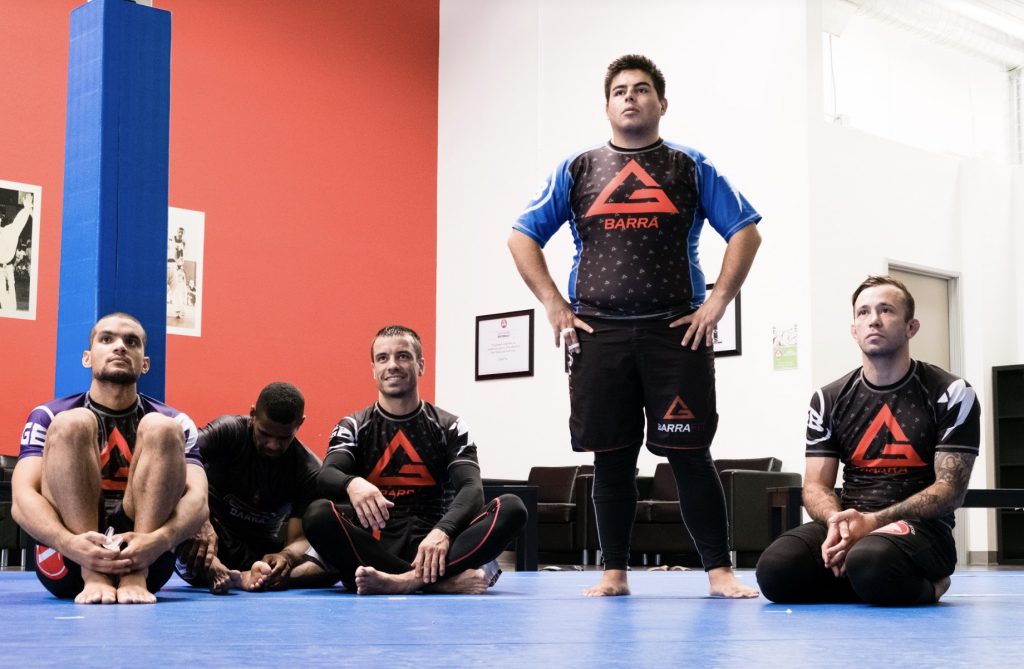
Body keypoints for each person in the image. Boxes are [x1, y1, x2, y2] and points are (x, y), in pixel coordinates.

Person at [508, 54, 761, 598]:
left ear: (661, 103)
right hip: (598, 334)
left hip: (676, 331)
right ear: (606, 106)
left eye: (642, 89)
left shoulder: (691, 165)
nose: (630, 97)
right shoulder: (577, 169)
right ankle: (614, 573)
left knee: (690, 454)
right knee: (612, 457)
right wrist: (555, 304)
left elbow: (745, 231)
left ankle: (719, 572)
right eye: (620, 90)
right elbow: (522, 236)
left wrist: (716, 302)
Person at [755, 276, 980, 605]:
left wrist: (872, 523)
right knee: (775, 570)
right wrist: (837, 523)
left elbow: (950, 491)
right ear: (854, 329)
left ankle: (933, 585)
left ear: (911, 327)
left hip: (922, 530)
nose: (873, 319)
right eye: (863, 313)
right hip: (852, 521)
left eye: (886, 310)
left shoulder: (951, 393)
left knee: (869, 560)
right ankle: (866, 581)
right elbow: (816, 486)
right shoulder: (828, 398)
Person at [303, 325, 528, 595]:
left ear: (421, 365)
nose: (393, 365)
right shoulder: (353, 425)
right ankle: (439, 584)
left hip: (436, 547)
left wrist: (443, 531)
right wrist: (353, 484)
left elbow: (471, 488)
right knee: (317, 515)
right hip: (374, 548)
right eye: (383, 358)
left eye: (403, 356)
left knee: (513, 507)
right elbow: (328, 476)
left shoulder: (450, 426)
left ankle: (404, 582)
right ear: (373, 369)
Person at [11, 312, 207, 604]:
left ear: (145, 363)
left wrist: (160, 541)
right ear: (87, 358)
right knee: (72, 423)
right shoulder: (48, 416)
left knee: (162, 428)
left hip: (147, 557)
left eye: (131, 342)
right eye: (107, 339)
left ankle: (133, 575)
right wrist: (71, 545)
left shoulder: (177, 420)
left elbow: (199, 501)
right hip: (69, 560)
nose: (120, 347)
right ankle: (95, 574)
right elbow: (22, 499)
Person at [175, 382, 337, 593]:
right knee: (176, 515)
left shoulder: (308, 469)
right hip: (208, 538)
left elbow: (298, 538)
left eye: (284, 437)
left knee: (334, 565)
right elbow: (176, 462)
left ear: (300, 424)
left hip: (258, 552)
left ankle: (257, 577)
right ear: (252, 414)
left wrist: (285, 557)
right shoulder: (228, 431)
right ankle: (220, 570)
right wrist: (198, 520)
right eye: (265, 433)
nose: (273, 445)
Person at [0, 191, 34, 311]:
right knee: (3, 295)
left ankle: (11, 313)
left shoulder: (7, 231)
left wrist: (27, 208)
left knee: (10, 294)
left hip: (8, 266)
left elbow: (18, 223)